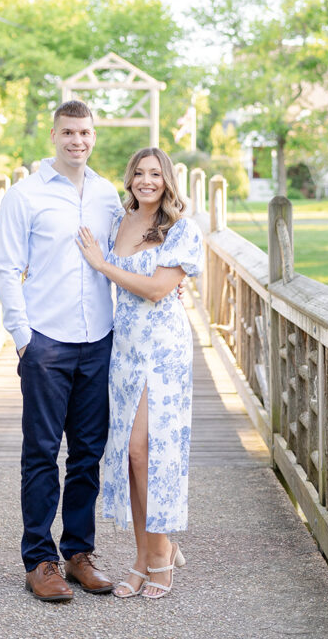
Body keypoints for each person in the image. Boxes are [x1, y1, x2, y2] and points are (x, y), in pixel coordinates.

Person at [0, 99, 121, 602]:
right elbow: (6, 268)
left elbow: (128, 250)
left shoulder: (109, 194)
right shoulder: (24, 196)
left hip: (99, 342)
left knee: (88, 454)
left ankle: (78, 553)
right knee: (42, 454)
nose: (77, 141)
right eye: (68, 132)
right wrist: (24, 338)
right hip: (46, 342)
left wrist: (169, 280)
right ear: (53, 135)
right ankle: (39, 560)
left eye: (85, 133)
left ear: (94, 136)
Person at [76, 146, 203, 600]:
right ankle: (142, 555)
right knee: (131, 458)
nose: (146, 180)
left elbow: (156, 288)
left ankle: (161, 553)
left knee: (145, 451)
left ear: (167, 181)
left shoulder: (181, 230)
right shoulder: (118, 221)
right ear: (129, 179)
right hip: (123, 347)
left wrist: (103, 265)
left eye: (155, 174)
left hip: (163, 349)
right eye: (139, 173)